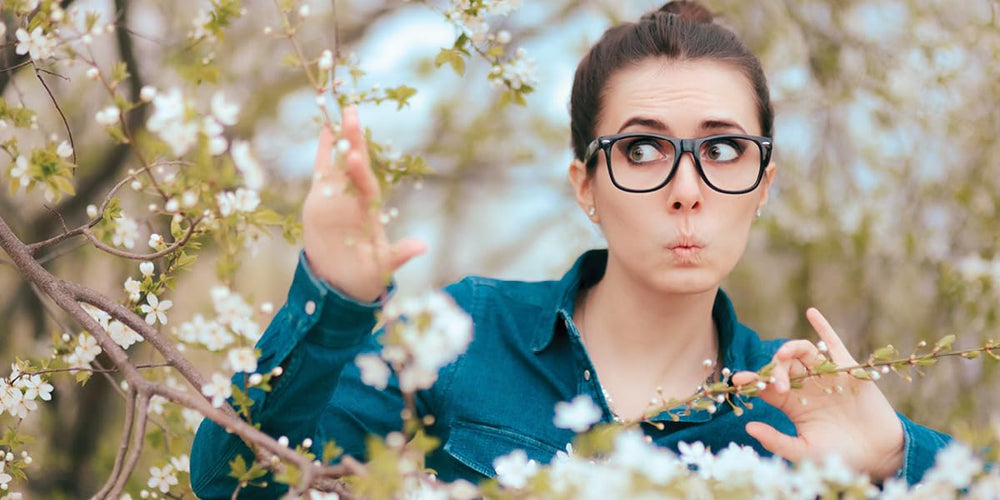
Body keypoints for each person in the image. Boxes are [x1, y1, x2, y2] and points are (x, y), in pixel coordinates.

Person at [190, 1, 951, 497]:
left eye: (723, 151)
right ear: (585, 185)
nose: (687, 189)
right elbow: (233, 484)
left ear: (762, 184)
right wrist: (337, 303)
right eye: (644, 149)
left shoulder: (793, 428)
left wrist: (896, 462)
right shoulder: (466, 337)